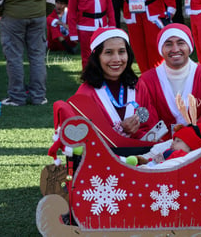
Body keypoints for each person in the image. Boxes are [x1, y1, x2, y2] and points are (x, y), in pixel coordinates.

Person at [48, 27, 159, 165]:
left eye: (121, 52)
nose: (117, 59)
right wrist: (119, 131)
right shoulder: (86, 94)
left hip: (141, 160)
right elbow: (85, 141)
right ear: (97, 57)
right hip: (102, 164)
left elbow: (150, 124)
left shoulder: (138, 86)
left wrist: (139, 133)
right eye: (108, 53)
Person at [140, 23, 201, 139]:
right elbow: (147, 122)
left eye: (181, 43)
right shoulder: (146, 80)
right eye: (168, 44)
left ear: (189, 47)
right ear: (161, 49)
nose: (175, 49)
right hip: (163, 146)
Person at [0, 0, 55, 106]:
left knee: (14, 57)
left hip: (13, 15)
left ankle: (16, 97)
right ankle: (38, 96)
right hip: (38, 14)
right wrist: (43, 12)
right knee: (38, 56)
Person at [109, 0, 176, 73]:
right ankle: (146, 79)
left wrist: (171, 6)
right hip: (132, 14)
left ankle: (158, 79)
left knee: (155, 49)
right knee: (138, 50)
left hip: (153, 13)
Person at [68, 0, 116, 69]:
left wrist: (112, 25)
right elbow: (71, 12)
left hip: (102, 26)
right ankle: (88, 81)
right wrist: (73, 33)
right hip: (85, 27)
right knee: (87, 56)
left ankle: (103, 79)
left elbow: (109, 6)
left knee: (104, 54)